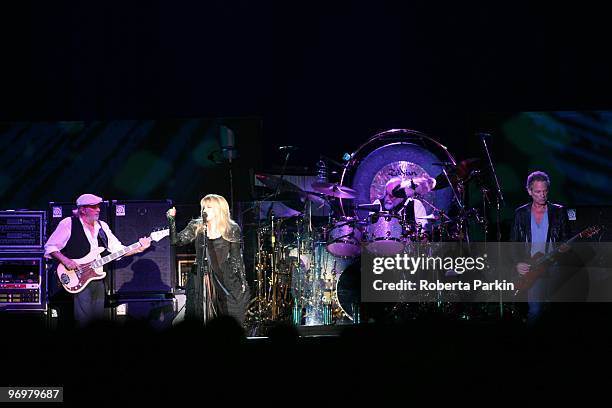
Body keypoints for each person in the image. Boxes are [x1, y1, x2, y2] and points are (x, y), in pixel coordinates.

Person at [44, 194, 151, 327]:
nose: (98, 209)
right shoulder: (69, 223)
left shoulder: (102, 226)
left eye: (99, 206)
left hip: (97, 277)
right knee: (83, 319)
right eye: (94, 207)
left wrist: (139, 248)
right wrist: (66, 261)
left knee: (97, 317)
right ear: (83, 209)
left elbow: (118, 250)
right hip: (77, 277)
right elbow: (50, 247)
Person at [166, 194, 250, 326]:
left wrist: (242, 282)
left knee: (228, 315)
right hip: (200, 277)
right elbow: (176, 241)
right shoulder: (196, 226)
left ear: (219, 209)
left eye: (209, 207)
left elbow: (236, 259)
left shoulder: (231, 229)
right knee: (196, 315)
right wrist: (171, 220)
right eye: (204, 207)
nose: (205, 210)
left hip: (223, 277)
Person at [510, 171, 571, 324]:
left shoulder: (559, 211)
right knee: (536, 309)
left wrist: (566, 248)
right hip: (534, 266)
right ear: (529, 191)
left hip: (555, 264)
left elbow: (566, 239)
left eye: (545, 191)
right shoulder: (521, 213)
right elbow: (513, 243)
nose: (542, 195)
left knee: (552, 309)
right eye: (538, 192)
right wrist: (517, 263)